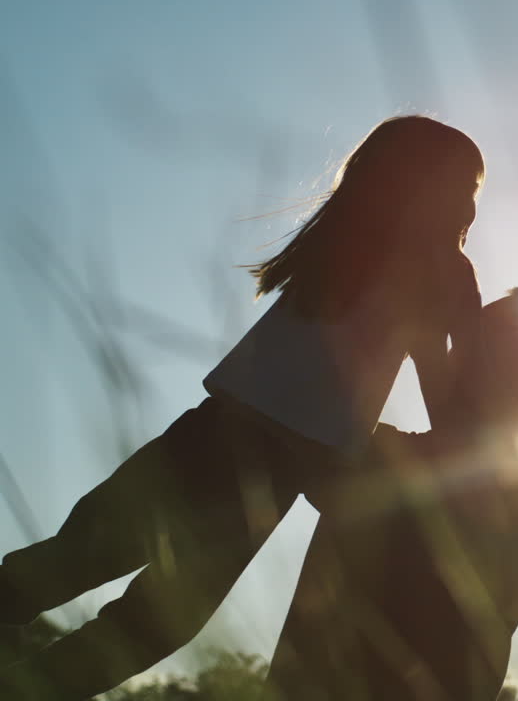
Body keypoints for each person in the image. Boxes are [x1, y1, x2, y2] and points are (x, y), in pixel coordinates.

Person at [0, 115, 490, 700]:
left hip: (216, 440)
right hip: (259, 462)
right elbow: (442, 394)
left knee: (83, 569)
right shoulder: (424, 268)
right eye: (465, 190)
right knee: (143, 613)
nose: (472, 211)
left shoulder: (346, 247)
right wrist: (468, 323)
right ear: (419, 186)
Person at [263, 287, 518, 701]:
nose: (456, 343)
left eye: (473, 335)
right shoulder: (384, 453)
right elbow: (306, 436)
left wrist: (426, 349)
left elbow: (478, 475)